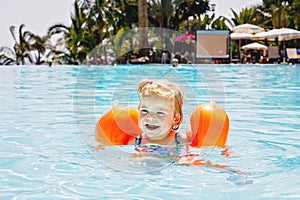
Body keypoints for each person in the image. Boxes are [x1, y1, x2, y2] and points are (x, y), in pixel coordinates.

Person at [130, 79, 188, 146]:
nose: (150, 118)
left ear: (175, 118)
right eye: (144, 111)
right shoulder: (135, 142)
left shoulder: (182, 141)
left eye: (160, 113)